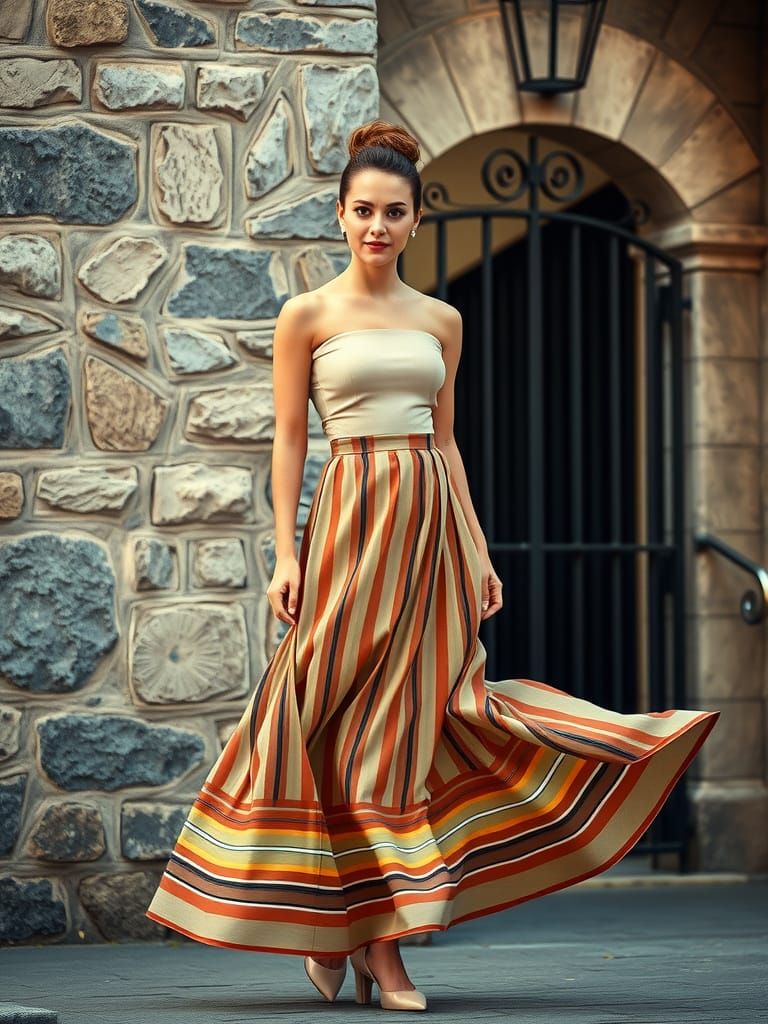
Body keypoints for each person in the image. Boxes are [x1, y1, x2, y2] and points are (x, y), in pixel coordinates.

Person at [145, 119, 718, 1013]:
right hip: (348, 531)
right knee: (324, 718)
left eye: (395, 212)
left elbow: (446, 445)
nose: (378, 225)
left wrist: (477, 550)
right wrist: (285, 553)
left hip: (427, 536)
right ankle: (339, 928)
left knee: (406, 731)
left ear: (417, 220)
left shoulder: (442, 319)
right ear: (340, 214)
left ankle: (380, 947)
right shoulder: (308, 315)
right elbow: (290, 442)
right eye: (363, 210)